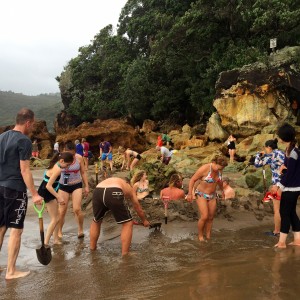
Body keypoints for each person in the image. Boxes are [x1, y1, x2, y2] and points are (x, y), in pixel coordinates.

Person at [0, 108, 43, 280]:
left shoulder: (1, 137)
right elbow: (25, 170)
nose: (31, 127)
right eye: (32, 124)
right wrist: (35, 194)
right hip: (15, 189)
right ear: (28, 122)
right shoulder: (24, 141)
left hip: (0, 187)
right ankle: (11, 271)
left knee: (1, 228)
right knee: (16, 230)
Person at [90, 177, 150, 256]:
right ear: (128, 182)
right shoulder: (129, 187)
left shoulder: (114, 180)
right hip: (114, 191)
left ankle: (92, 248)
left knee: (96, 220)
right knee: (128, 223)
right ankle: (125, 253)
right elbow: (137, 207)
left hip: (98, 191)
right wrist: (144, 220)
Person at [186, 155, 228, 241]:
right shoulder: (204, 168)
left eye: (222, 169)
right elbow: (192, 180)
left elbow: (219, 181)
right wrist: (190, 193)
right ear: (214, 163)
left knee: (211, 217)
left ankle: (208, 236)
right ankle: (200, 236)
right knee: (204, 216)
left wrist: (223, 191)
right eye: (219, 168)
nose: (220, 170)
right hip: (201, 194)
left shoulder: (219, 170)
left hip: (212, 195)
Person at [38, 152, 73, 245]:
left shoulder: (55, 164)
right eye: (67, 164)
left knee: (57, 216)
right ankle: (45, 243)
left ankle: (56, 239)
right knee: (55, 218)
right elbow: (49, 186)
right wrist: (59, 197)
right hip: (48, 192)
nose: (67, 167)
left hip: (47, 190)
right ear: (61, 161)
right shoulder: (57, 169)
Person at [57, 141, 89, 239]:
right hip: (63, 186)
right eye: (69, 153)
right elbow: (52, 173)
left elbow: (83, 172)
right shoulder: (59, 159)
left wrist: (86, 186)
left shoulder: (79, 158)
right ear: (64, 151)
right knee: (62, 211)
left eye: (73, 153)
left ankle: (80, 229)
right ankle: (59, 231)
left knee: (77, 209)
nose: (71, 156)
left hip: (76, 185)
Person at [275, 123, 300, 248]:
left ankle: (282, 242)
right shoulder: (290, 149)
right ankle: (297, 240)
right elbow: (287, 169)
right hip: (294, 187)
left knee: (284, 212)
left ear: (283, 137)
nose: (278, 138)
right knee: (291, 213)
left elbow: (289, 173)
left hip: (291, 187)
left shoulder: (293, 152)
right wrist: (282, 171)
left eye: (279, 136)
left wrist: (280, 186)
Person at [254, 138, 285, 236]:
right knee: (286, 208)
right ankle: (285, 229)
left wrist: (258, 155)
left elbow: (257, 164)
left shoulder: (271, 155)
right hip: (287, 184)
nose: (265, 150)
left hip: (278, 185)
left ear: (269, 147)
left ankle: (277, 231)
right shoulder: (282, 153)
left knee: (277, 210)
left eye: (265, 148)